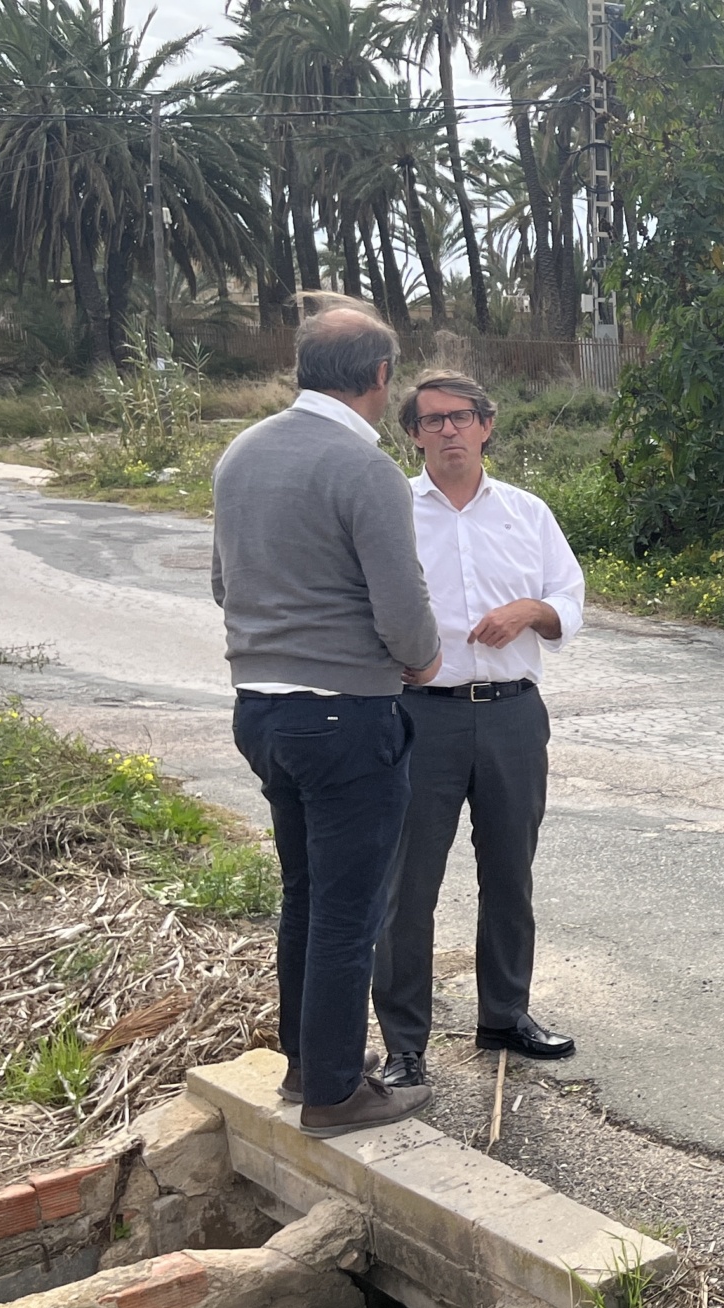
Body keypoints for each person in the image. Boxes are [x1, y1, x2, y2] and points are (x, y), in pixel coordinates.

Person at [212, 301, 441, 1137]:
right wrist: (420, 659)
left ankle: (307, 1064)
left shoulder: (240, 454)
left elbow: (222, 584)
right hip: (346, 714)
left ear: (301, 367)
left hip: (261, 709)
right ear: (382, 377)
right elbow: (402, 608)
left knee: (305, 896)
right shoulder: (363, 468)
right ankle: (338, 1093)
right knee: (352, 910)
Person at [371, 372, 588, 1091]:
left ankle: (506, 1016)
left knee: (509, 873)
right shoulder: (390, 510)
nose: (448, 432)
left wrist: (530, 610)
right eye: (431, 422)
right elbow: (355, 601)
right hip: (418, 715)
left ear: (487, 425)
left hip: (511, 713)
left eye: (461, 418)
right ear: (413, 435)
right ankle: (405, 1044)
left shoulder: (525, 513)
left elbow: (570, 598)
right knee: (409, 886)